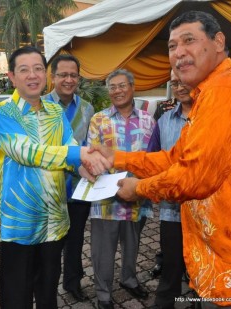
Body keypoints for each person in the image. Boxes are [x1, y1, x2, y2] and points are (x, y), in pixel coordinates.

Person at [85, 11, 231, 309]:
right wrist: (119, 157)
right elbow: (176, 158)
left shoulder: (226, 91)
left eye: (189, 40)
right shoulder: (210, 93)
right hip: (222, 257)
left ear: (218, 41)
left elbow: (194, 176)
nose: (178, 53)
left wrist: (137, 189)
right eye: (172, 46)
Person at [0, 46, 110, 309]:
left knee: (47, 295)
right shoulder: (2, 113)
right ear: (12, 76)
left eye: (38, 68)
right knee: (16, 298)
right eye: (24, 70)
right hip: (19, 223)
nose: (32, 75)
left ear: (45, 73)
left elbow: (69, 148)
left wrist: (84, 170)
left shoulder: (56, 113)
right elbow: (27, 152)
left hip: (54, 222)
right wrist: (79, 154)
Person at [87, 69, 155, 309]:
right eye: (112, 87)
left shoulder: (149, 120)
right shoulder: (99, 119)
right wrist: (118, 188)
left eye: (121, 85)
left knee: (132, 245)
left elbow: (153, 158)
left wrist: (140, 187)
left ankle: (128, 279)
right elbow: (91, 159)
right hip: (106, 200)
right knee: (102, 252)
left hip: (137, 198)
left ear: (132, 87)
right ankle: (103, 294)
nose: (117, 91)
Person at [43, 54, 94, 302]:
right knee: (50, 246)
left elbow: (90, 147)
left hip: (79, 190)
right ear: (53, 77)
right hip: (48, 191)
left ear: (79, 78)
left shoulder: (87, 109)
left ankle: (73, 283)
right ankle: (45, 289)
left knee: (75, 242)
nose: (68, 79)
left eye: (73, 75)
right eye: (63, 74)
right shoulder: (39, 107)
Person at [147, 70, 193, 309]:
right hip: (171, 210)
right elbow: (152, 158)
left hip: (206, 213)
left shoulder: (212, 119)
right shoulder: (164, 121)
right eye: (174, 82)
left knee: (202, 266)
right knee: (171, 265)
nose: (180, 86)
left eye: (184, 80)